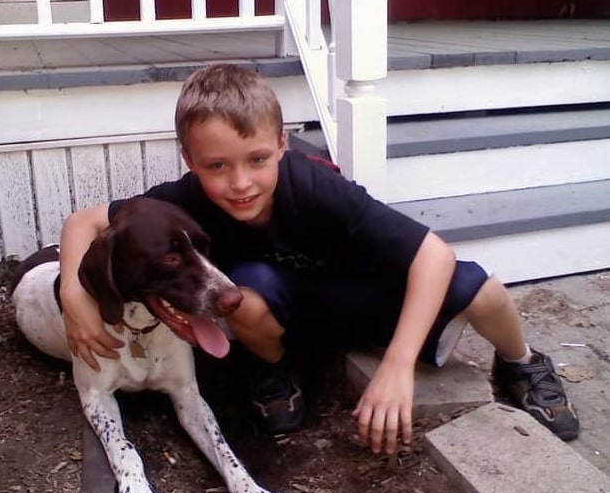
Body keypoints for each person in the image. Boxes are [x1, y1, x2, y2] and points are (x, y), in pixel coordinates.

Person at [59, 64, 579, 454]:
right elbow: (84, 222)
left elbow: (434, 255)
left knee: (484, 289)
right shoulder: (181, 201)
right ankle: (276, 372)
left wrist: (397, 367)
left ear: (281, 145)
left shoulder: (315, 186)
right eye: (217, 166)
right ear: (190, 161)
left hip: (361, 293)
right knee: (241, 293)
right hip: (291, 310)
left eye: (257, 160)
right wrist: (74, 298)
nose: (239, 183)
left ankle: (523, 364)